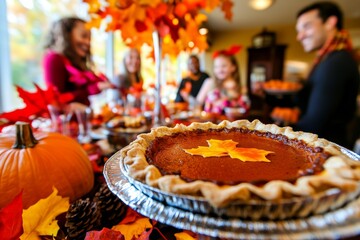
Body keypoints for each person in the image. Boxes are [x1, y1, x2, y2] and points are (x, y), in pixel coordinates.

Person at [294, 2, 360, 148]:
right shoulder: (326, 60)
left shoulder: (337, 62)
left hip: (326, 151)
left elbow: (314, 122)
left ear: (330, 22)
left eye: (306, 26)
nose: (299, 36)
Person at [43, 17, 114, 106]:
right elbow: (56, 102)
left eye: (89, 38)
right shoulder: (54, 59)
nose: (88, 42)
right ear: (67, 35)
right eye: (83, 36)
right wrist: (91, 89)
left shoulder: (74, 62)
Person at [200, 45, 250, 115]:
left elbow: (246, 109)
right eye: (216, 67)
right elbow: (198, 103)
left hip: (233, 124)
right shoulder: (209, 82)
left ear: (233, 67)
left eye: (224, 66)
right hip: (211, 124)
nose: (220, 70)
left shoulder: (240, 88)